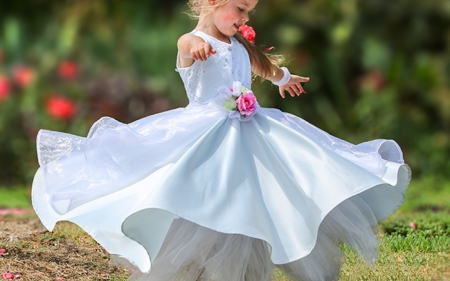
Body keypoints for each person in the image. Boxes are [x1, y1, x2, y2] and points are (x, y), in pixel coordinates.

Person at [32, 0, 411, 280]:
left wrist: (283, 79)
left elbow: (262, 65)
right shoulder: (191, 39)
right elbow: (185, 48)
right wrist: (193, 50)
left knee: (267, 187)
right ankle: (198, 265)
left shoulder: (240, 43)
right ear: (213, 4)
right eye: (240, 9)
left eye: (249, 12)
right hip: (207, 132)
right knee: (208, 197)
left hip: (253, 128)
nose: (245, 19)